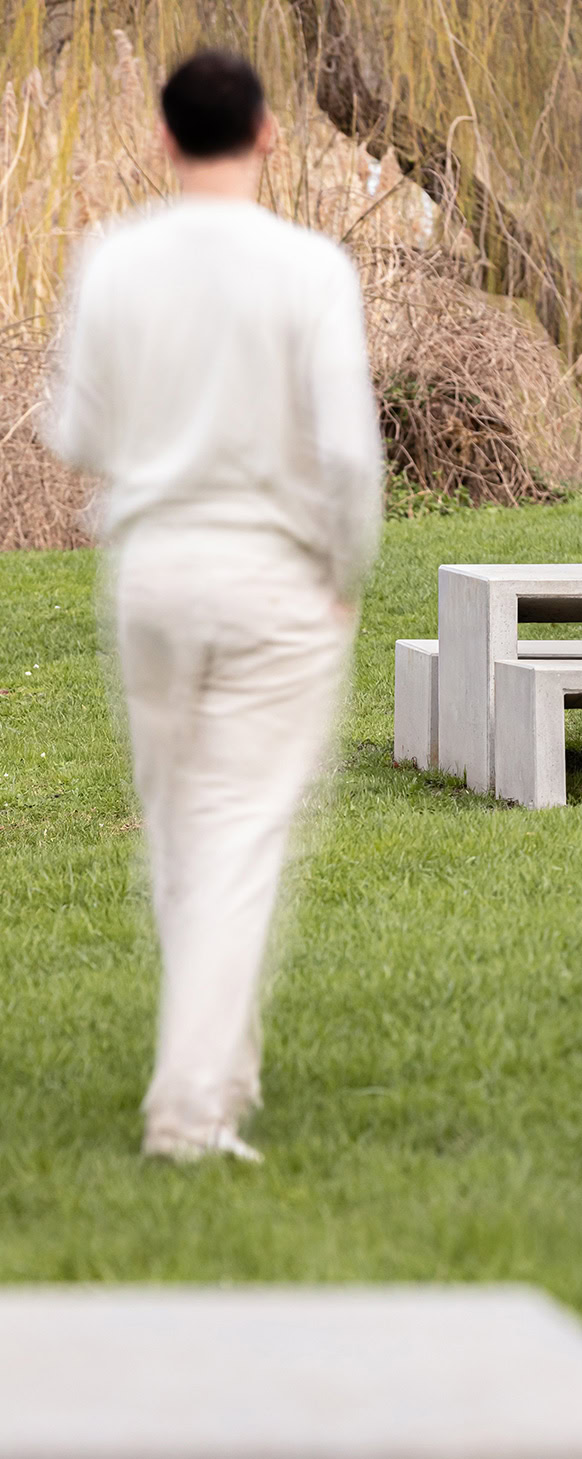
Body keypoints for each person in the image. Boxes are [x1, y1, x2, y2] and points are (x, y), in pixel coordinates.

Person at [44, 48, 383, 1164]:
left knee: (185, 833)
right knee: (237, 832)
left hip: (152, 569)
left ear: (161, 137)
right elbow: (345, 454)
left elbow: (77, 435)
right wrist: (344, 572)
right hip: (273, 577)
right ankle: (189, 1109)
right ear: (270, 133)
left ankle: (223, 1070)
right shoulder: (308, 269)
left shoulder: (111, 257)